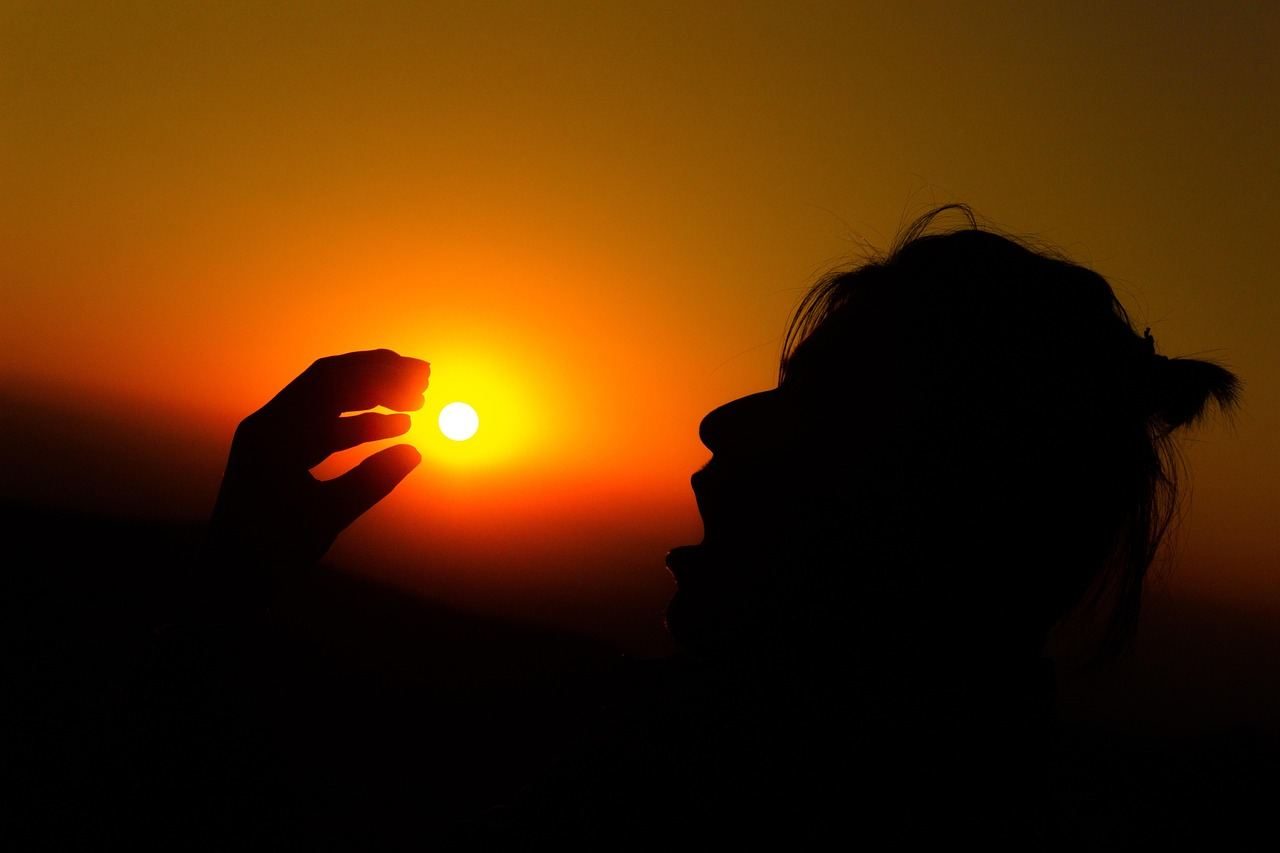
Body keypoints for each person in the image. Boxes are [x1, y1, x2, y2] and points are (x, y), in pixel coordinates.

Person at [201, 205, 1241, 844]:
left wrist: (235, 588)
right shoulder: (970, 794)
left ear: (923, 509)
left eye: (819, 404)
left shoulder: (638, 799)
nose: (720, 420)